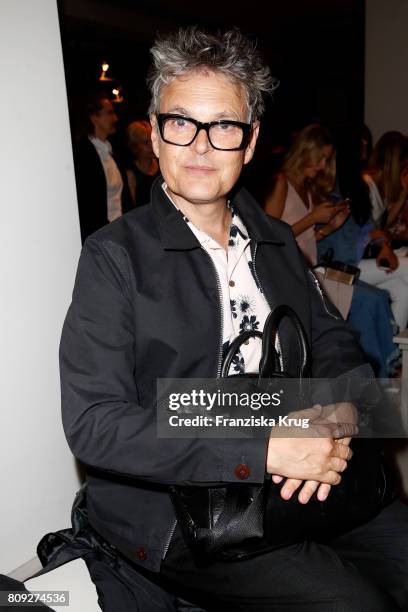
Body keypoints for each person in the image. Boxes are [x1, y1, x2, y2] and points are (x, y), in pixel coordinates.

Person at [60, 27, 408, 611]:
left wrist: (343, 412)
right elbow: (94, 422)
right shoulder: (114, 255)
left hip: (294, 475)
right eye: (181, 123)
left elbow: (336, 343)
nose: (199, 146)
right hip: (176, 508)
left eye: (222, 126)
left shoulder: (274, 241)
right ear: (156, 131)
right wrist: (262, 444)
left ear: (249, 144)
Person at [264, 123, 350, 267]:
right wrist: (312, 218)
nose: (323, 165)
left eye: (327, 160)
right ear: (305, 151)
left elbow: (302, 241)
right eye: (320, 157)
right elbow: (268, 238)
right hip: (284, 272)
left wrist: (330, 228)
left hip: (304, 270)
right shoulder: (282, 182)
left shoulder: (308, 187)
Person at [73, 93, 133, 243]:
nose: (115, 118)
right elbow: (88, 203)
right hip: (100, 236)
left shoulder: (113, 151)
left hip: (119, 232)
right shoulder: (83, 154)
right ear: (94, 118)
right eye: (109, 113)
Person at [125, 120, 159, 207]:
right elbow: (132, 208)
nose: (151, 146)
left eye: (152, 140)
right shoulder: (131, 174)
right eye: (146, 142)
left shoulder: (162, 165)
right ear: (135, 146)